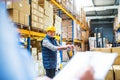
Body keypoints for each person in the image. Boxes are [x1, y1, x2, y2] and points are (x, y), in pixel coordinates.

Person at [0, 0, 94, 80]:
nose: (53, 33)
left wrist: (67, 46)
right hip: (48, 64)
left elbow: (58, 45)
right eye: (51, 32)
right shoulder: (45, 41)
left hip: (53, 63)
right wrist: (65, 47)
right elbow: (54, 48)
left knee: (52, 77)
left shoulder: (53, 39)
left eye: (54, 32)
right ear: (48, 32)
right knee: (50, 76)